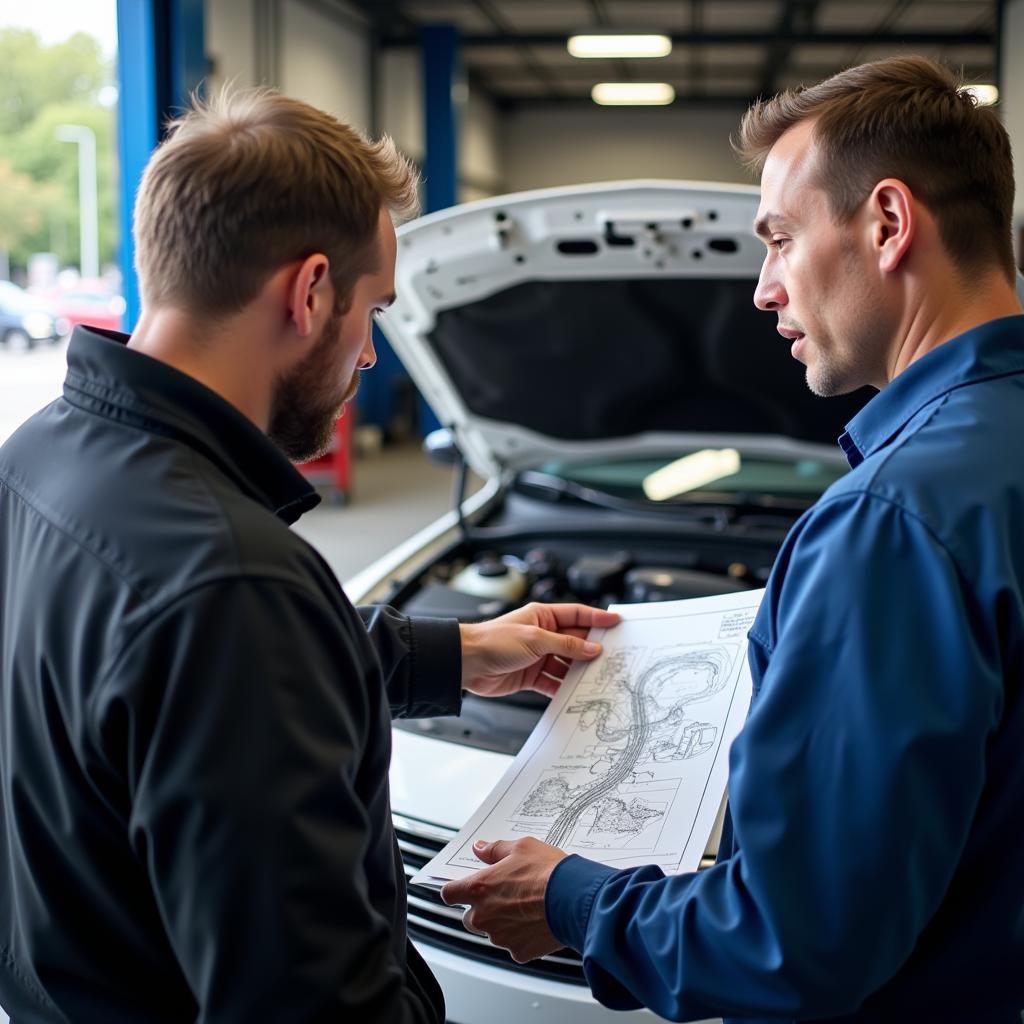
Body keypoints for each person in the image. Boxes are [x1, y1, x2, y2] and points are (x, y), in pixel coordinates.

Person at [0, 87, 619, 1023]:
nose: (368, 354)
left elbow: (159, 678)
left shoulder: (36, 458)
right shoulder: (231, 579)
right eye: (372, 310)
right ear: (311, 290)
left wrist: (458, 653)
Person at [441, 55, 1024, 1023]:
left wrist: (574, 899)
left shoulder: (888, 525)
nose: (761, 290)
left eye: (780, 240)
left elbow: (795, 939)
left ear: (887, 224)